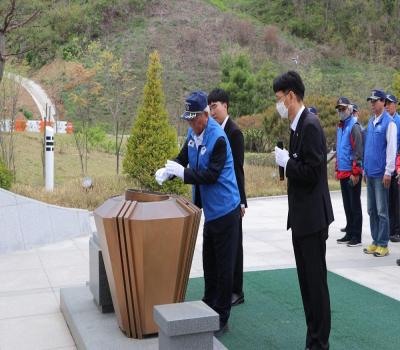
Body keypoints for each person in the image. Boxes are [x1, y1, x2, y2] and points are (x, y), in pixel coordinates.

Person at [155, 91, 240, 336]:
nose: (191, 125)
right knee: (209, 261)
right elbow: (183, 158)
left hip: (225, 209)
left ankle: (221, 317)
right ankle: (207, 305)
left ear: (205, 114)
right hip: (210, 211)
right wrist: (168, 169)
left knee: (224, 267)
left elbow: (211, 175)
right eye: (188, 120)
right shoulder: (194, 134)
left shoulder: (219, 138)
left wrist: (183, 174)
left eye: (195, 119)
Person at [273, 71, 334, 350]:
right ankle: (313, 338)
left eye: (279, 99)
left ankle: (319, 342)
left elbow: (312, 171)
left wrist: (287, 163)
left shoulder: (309, 125)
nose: (279, 105)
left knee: (315, 284)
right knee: (306, 284)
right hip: (301, 217)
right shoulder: (297, 126)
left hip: (312, 218)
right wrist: (287, 163)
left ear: (291, 96)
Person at [207, 88, 247, 307]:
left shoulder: (233, 132)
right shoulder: (213, 131)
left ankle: (237, 290)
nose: (212, 111)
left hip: (233, 199)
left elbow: (237, 170)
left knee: (235, 246)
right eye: (210, 107)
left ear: (226, 106)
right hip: (219, 201)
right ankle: (225, 287)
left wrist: (241, 200)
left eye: (215, 106)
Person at [363, 89, 397, 257]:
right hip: (369, 172)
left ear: (383, 102)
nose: (372, 104)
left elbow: (391, 149)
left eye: (375, 101)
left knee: (382, 210)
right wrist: (364, 168)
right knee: (371, 210)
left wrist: (388, 172)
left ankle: (383, 244)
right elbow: (368, 147)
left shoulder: (389, 123)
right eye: (371, 101)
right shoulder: (371, 122)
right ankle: (375, 241)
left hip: (381, 173)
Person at [335, 97, 363, 247]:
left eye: (343, 109)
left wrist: (356, 171)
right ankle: (349, 232)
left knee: (354, 205)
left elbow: (358, 151)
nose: (341, 112)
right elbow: (340, 149)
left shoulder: (354, 126)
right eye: (339, 109)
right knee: (347, 205)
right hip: (343, 172)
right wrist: (336, 167)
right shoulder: (340, 126)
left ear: (350, 109)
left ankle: (356, 236)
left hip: (352, 173)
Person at [385, 94, 400, 243]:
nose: (387, 106)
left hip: (397, 166)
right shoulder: (386, 121)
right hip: (388, 166)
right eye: (386, 104)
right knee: (388, 200)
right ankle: (391, 228)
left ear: (396, 104)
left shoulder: (398, 121)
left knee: (396, 201)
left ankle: (397, 230)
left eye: (390, 104)